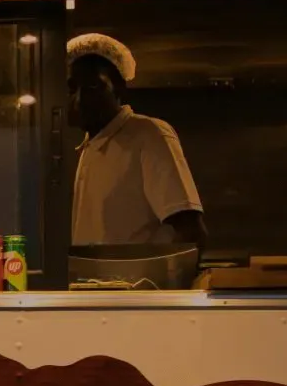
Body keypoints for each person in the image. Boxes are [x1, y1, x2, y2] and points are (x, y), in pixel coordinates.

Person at [66, 33, 205, 247]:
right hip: (93, 281)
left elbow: (190, 232)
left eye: (93, 87)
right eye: (72, 89)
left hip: (140, 281)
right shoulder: (89, 147)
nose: (79, 99)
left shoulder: (149, 134)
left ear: (120, 89)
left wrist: (160, 279)